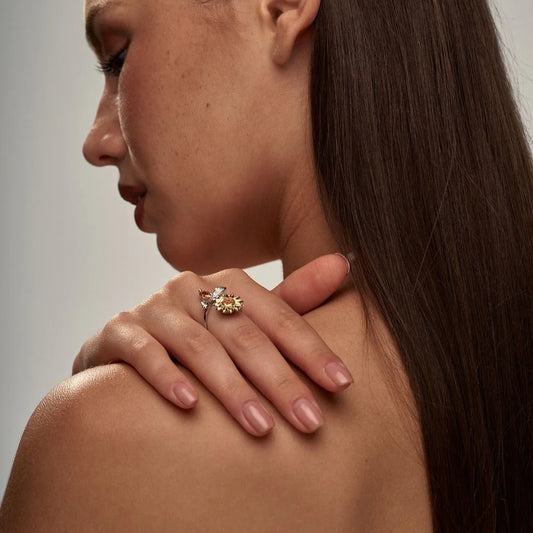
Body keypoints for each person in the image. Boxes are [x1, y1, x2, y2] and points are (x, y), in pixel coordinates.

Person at [1, 0, 532, 531]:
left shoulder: (116, 446)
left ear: (283, 8)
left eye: (118, 58)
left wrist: (91, 415)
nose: (96, 143)